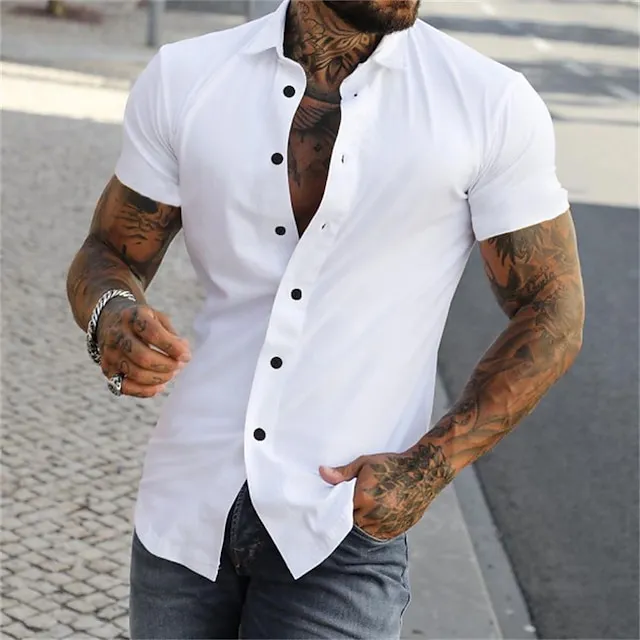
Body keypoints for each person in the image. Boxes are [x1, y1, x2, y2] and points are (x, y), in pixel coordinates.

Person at [66, 0, 585, 638]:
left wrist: (428, 469)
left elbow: (552, 308)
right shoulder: (187, 78)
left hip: (341, 527)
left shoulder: (489, 103)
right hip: (187, 507)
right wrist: (112, 316)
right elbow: (110, 252)